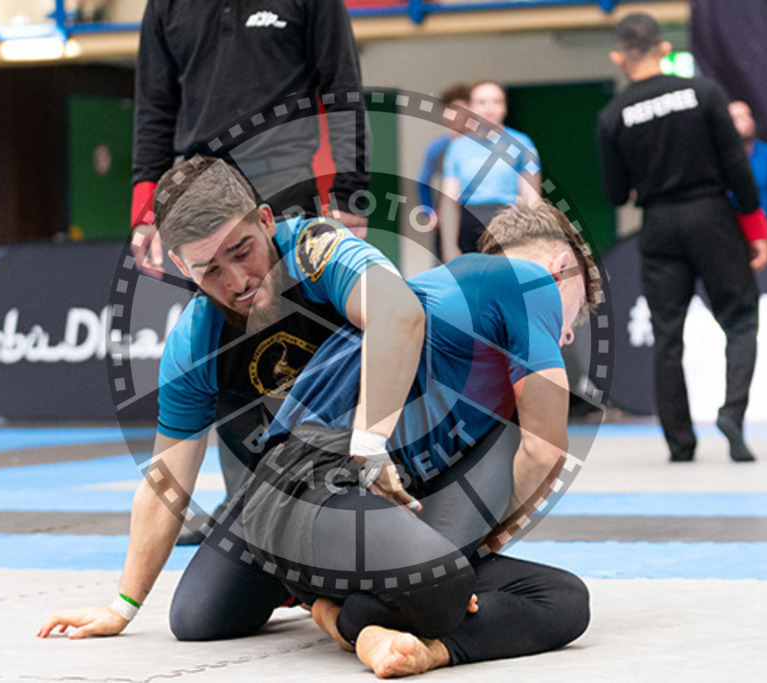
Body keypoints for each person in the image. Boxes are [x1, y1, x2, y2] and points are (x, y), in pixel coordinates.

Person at [37, 157, 424, 641]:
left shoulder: (316, 249)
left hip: (391, 459)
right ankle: (314, 595)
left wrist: (370, 442)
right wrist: (122, 606)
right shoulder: (194, 342)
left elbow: (400, 311)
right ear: (181, 266)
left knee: (413, 594)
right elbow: (165, 483)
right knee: (198, 618)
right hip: (294, 487)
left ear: (266, 221)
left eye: (243, 251)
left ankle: (332, 584)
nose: (238, 281)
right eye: (211, 270)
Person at [239, 199, 601, 676]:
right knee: (443, 587)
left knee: (564, 598)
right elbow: (547, 450)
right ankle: (344, 616)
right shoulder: (527, 285)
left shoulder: (459, 303)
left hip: (328, 507)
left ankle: (421, 643)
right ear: (560, 267)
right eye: (574, 316)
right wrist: (485, 543)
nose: (568, 336)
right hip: (320, 482)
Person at [595, 13, 767, 463]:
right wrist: (755, 227)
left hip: (658, 225)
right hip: (712, 216)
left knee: (667, 335)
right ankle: (732, 415)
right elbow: (738, 167)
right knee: (739, 320)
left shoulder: (612, 116)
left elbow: (616, 194)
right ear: (664, 49)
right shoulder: (703, 92)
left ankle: (680, 443)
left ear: (619, 58)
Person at [129, 0, 371, 281]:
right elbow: (154, 108)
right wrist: (145, 215)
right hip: (200, 189)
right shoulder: (164, 5)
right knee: (224, 319)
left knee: (295, 311)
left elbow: (342, 93)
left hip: (284, 182)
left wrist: (348, 195)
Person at [438, 80, 542, 262]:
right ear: (470, 108)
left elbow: (533, 199)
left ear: (505, 107)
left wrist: (535, 241)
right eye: (482, 102)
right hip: (469, 228)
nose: (489, 108)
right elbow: (448, 202)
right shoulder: (457, 148)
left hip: (508, 224)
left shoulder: (522, 143)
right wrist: (449, 246)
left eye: (496, 101)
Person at [415, 82, 471, 258]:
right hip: (450, 218)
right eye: (446, 109)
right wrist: (429, 212)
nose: (450, 115)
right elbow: (423, 182)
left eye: (456, 109)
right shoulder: (439, 148)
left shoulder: (485, 146)